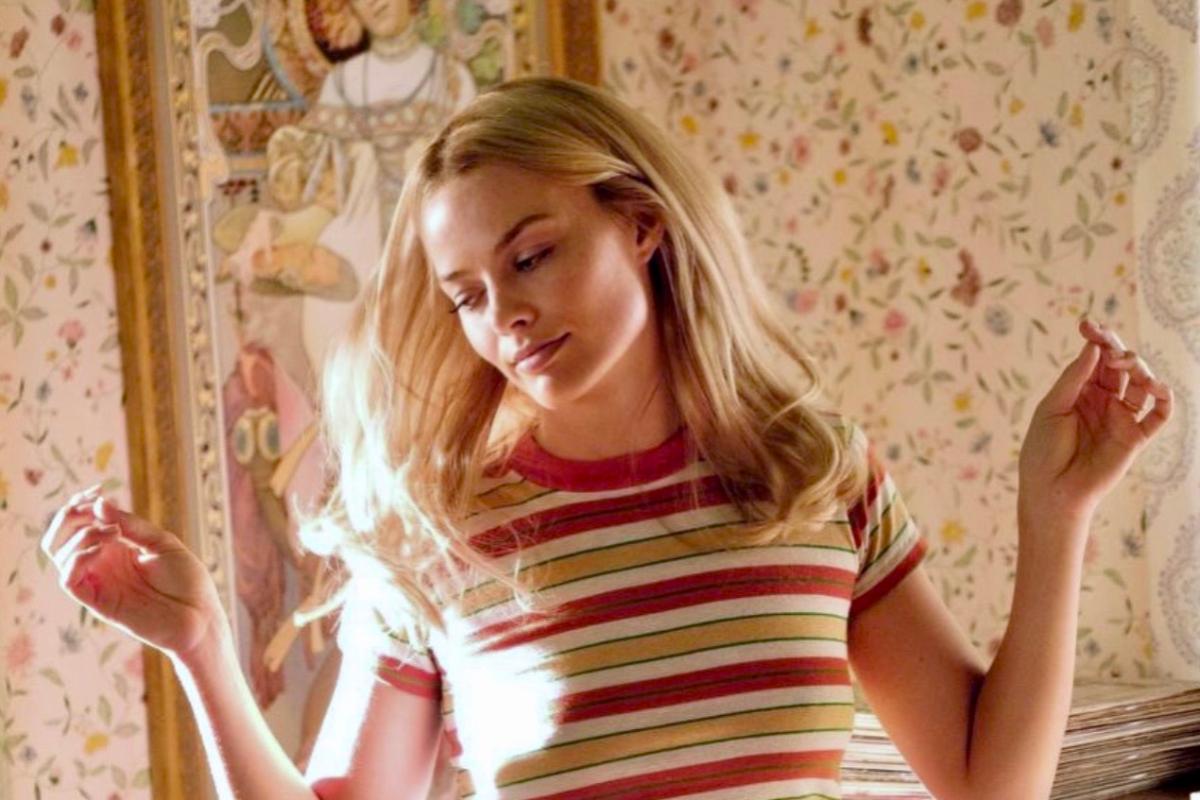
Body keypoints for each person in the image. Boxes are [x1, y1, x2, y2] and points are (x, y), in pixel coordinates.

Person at [42, 76, 1174, 800]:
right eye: (467, 294)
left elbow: (988, 785)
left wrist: (1058, 513)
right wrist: (201, 648)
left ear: (640, 224)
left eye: (532, 256)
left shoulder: (812, 474)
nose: (505, 314)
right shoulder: (440, 532)